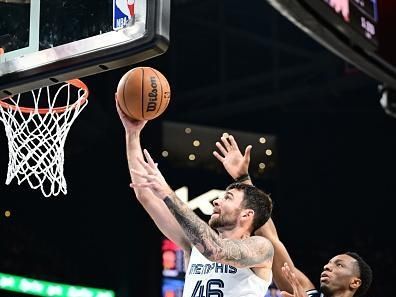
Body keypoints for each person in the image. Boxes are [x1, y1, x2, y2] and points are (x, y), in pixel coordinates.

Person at [115, 97, 275, 297]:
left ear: (246, 215)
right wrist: (132, 134)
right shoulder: (194, 246)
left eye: (228, 198)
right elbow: (145, 193)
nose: (217, 201)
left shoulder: (260, 248)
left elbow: (217, 251)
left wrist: (166, 192)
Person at [212, 134, 373, 297]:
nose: (327, 267)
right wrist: (243, 178)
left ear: (355, 282)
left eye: (339, 265)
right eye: (330, 263)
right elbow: (271, 240)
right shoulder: (304, 291)